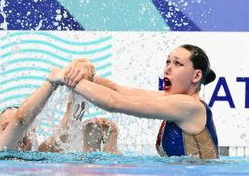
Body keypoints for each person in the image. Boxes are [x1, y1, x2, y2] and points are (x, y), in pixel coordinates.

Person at [48, 45, 219, 159]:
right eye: (167, 62)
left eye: (177, 64)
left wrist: (65, 77)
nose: (167, 68)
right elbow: (117, 90)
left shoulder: (189, 106)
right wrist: (84, 74)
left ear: (196, 76)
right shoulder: (174, 101)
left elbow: (114, 102)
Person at [0, 59, 120, 154]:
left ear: (33, 132)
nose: (20, 133)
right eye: (7, 128)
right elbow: (21, 119)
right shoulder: (1, 149)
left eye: (27, 129)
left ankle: (105, 150)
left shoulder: (44, 152)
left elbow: (71, 121)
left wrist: (80, 78)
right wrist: (52, 81)